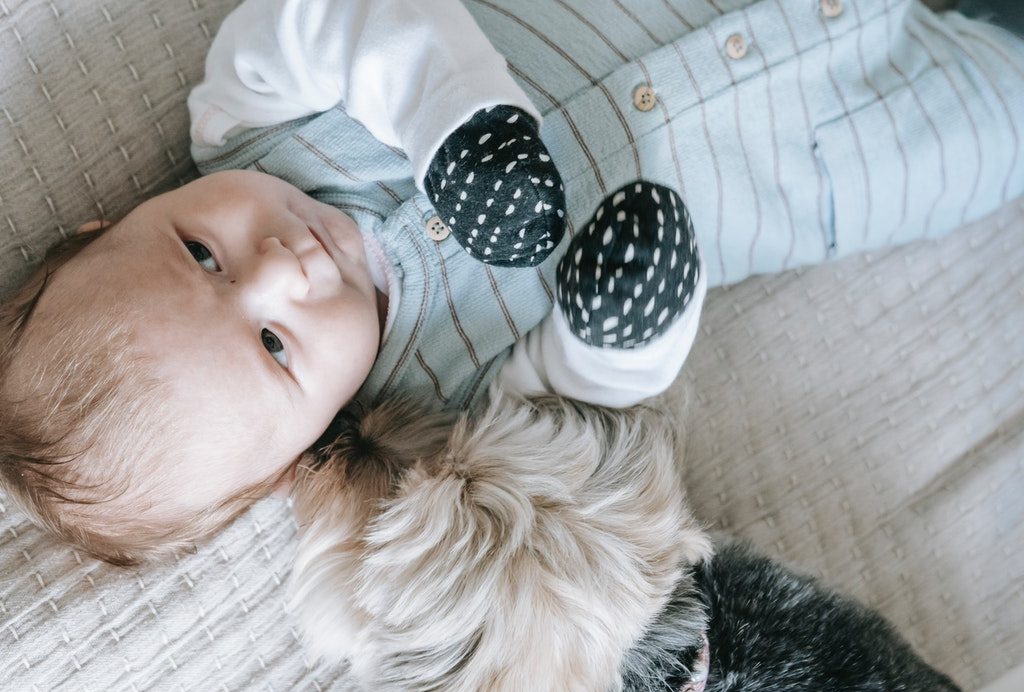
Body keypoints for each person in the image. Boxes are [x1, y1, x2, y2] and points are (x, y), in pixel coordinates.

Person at [0, 0, 1021, 566]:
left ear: (112, 219)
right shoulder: (428, 415)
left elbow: (353, 19)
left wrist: (465, 127)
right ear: (293, 455)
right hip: (820, 152)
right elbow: (568, 406)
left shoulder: (250, 109)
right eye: (273, 346)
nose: (283, 267)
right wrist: (622, 329)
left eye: (200, 253)